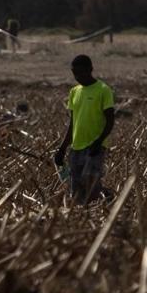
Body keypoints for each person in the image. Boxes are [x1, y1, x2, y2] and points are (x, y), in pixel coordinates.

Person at [53, 54, 115, 204]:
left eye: (81, 72)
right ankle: (83, 215)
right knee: (76, 188)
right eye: (75, 74)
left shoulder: (103, 90)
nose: (78, 77)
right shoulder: (74, 92)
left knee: (90, 181)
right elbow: (73, 123)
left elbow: (110, 121)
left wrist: (99, 142)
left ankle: (107, 198)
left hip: (95, 147)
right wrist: (62, 148)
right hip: (77, 146)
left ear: (90, 69)